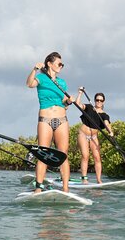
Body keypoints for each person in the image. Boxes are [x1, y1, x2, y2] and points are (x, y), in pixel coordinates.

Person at [26, 52, 82, 193]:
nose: (61, 66)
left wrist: (69, 101)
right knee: (43, 153)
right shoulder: (41, 78)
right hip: (45, 119)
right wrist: (34, 69)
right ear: (50, 64)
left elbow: (65, 103)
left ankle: (65, 189)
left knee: (63, 155)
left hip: (62, 120)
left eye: (62, 64)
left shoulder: (62, 82)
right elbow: (29, 84)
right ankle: (38, 188)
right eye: (59, 64)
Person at [73, 91, 114, 184]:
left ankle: (99, 180)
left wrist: (110, 132)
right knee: (85, 155)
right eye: (97, 100)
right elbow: (78, 104)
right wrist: (80, 93)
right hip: (83, 134)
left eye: (101, 100)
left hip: (94, 137)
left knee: (97, 157)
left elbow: (107, 124)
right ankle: (84, 178)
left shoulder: (104, 115)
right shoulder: (89, 107)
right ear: (95, 100)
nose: (99, 102)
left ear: (103, 102)